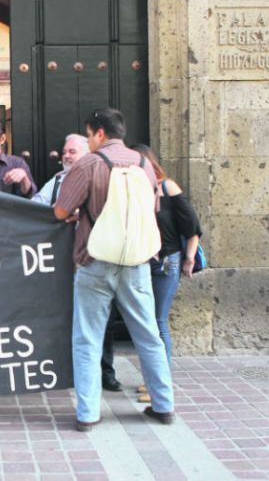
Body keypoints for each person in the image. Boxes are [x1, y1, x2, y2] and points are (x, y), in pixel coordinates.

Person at [54, 108, 175, 430]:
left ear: (99, 134)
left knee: (87, 338)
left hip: (95, 262)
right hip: (135, 261)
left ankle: (88, 413)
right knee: (148, 334)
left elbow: (60, 210)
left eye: (90, 134)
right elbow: (154, 208)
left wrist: (78, 212)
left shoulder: (90, 164)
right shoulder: (144, 165)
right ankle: (163, 405)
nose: (90, 140)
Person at [33, 134, 125, 393]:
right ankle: (68, 370)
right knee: (68, 317)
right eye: (65, 151)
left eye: (72, 151)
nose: (66, 156)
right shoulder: (57, 181)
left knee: (102, 319)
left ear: (86, 155)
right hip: (62, 265)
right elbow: (35, 208)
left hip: (97, 260)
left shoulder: (104, 180)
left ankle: (105, 372)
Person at [130, 143, 202, 403]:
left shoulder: (168, 187)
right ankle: (152, 380)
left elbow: (192, 226)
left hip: (167, 262)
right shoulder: (138, 190)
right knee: (148, 322)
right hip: (144, 260)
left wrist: (189, 259)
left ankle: (161, 385)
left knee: (158, 321)